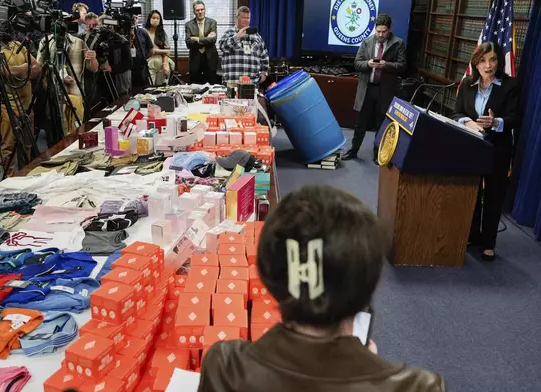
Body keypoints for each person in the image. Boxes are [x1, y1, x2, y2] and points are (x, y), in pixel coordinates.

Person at [199, 185, 445, 391]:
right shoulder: (418, 386)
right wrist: (370, 367)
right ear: (368, 283)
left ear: (268, 274)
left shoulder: (225, 366)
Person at [452, 42, 519, 262]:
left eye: (492, 60)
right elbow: (457, 112)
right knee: (471, 193)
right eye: (482, 60)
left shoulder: (510, 86)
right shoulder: (466, 84)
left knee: (493, 196)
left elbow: (514, 118)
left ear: (499, 61)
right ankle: (472, 235)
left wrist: (495, 121)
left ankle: (489, 243)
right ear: (475, 62)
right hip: (471, 148)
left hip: (497, 150)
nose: (488, 65)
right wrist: (467, 122)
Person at [342, 13, 406, 164]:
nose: (381, 34)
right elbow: (357, 63)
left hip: (385, 90)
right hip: (367, 88)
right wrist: (368, 64)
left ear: (389, 30)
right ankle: (353, 150)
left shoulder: (398, 43)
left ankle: (378, 154)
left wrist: (386, 65)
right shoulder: (366, 42)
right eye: (378, 31)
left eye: (384, 31)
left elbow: (403, 66)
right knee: (360, 122)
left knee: (381, 123)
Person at [0, 36, 40, 177]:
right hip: (7, 107)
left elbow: (37, 68)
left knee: (27, 144)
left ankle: (25, 176)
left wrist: (18, 70)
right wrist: (25, 68)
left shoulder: (18, 45)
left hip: (26, 106)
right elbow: (2, 71)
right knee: (8, 148)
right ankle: (10, 180)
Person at [37, 33, 98, 135]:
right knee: (53, 133)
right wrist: (55, 77)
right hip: (53, 95)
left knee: (76, 132)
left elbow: (94, 68)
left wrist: (92, 58)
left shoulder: (79, 43)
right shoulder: (46, 41)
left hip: (75, 94)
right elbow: (39, 67)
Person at [218, 6, 269, 88]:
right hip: (232, 82)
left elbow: (264, 56)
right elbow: (222, 47)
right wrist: (237, 37)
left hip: (252, 83)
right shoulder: (229, 33)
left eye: (248, 18)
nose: (246, 20)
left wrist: (264, 73)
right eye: (243, 18)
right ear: (237, 18)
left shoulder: (257, 36)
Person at [185, 1, 219, 84]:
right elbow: (189, 43)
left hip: (210, 58)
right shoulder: (188, 25)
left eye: (202, 9)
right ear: (194, 12)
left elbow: (213, 40)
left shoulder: (212, 22)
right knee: (195, 86)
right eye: (197, 10)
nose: (200, 12)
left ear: (205, 10)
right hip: (195, 58)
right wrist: (206, 39)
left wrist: (197, 39)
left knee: (211, 86)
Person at [144, 10, 175, 86]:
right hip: (149, 62)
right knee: (150, 87)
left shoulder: (162, 33)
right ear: (149, 19)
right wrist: (163, 51)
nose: (155, 20)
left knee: (162, 88)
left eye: (158, 18)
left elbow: (167, 51)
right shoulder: (143, 32)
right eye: (153, 18)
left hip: (162, 62)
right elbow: (150, 52)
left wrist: (165, 64)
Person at [130, 23, 154, 90]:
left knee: (146, 91)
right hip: (129, 69)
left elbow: (151, 49)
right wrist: (131, 39)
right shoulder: (123, 33)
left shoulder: (143, 32)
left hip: (142, 67)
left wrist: (144, 57)